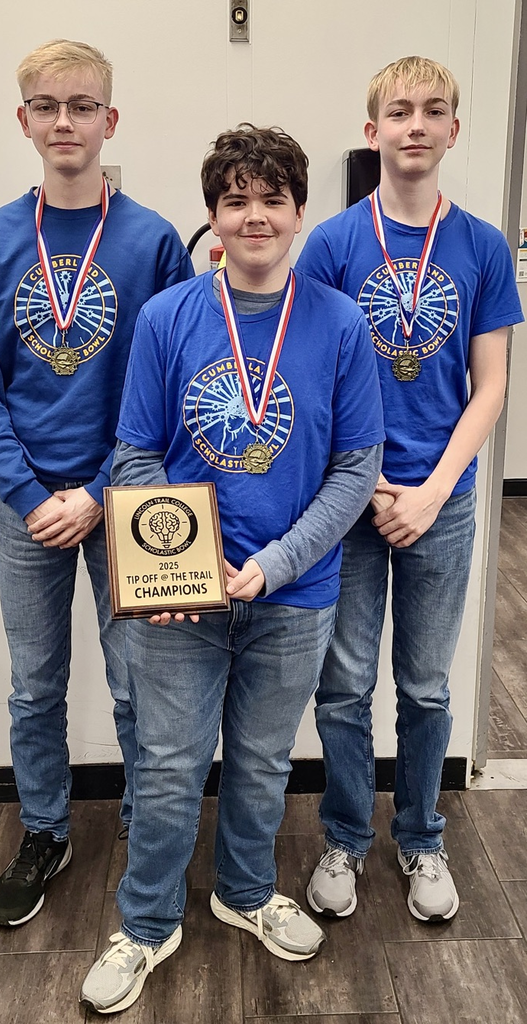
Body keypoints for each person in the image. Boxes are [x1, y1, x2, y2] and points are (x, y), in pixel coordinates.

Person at [79, 122, 385, 1014]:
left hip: (298, 596)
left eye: (271, 200)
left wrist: (281, 561)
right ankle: (145, 924)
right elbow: (133, 455)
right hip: (184, 597)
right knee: (170, 765)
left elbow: (356, 466)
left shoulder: (339, 322)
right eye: (235, 200)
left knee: (258, 764)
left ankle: (244, 894)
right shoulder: (168, 317)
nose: (254, 216)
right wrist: (186, 560)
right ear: (213, 216)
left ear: (298, 211)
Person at [0, 38, 193, 929]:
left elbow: (165, 387)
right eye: (47, 106)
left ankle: (142, 823)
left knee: (141, 679)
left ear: (109, 119)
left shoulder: (154, 240)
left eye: (82, 105)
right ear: (24, 121)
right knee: (34, 684)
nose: (65, 121)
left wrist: (97, 490)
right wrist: (30, 495)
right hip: (25, 503)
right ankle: (46, 830)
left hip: (125, 498)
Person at [297, 55, 524, 923]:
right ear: (373, 132)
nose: (416, 125)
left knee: (425, 685)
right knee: (345, 683)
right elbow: (312, 374)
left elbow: (491, 385)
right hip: (349, 500)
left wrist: (431, 488)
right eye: (399, 111)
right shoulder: (331, 244)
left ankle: (421, 836)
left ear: (454, 130)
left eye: (434, 111)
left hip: (444, 497)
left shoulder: (480, 246)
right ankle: (347, 836)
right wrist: (367, 486)